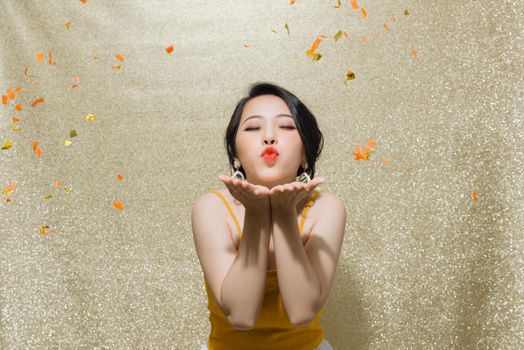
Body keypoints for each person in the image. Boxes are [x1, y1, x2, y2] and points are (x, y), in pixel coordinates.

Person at [192, 82, 346, 349]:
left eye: (286, 127)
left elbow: (301, 313)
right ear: (236, 156)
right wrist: (257, 213)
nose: (269, 137)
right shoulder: (210, 208)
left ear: (305, 156)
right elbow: (240, 316)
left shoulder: (327, 208)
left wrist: (284, 213)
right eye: (252, 128)